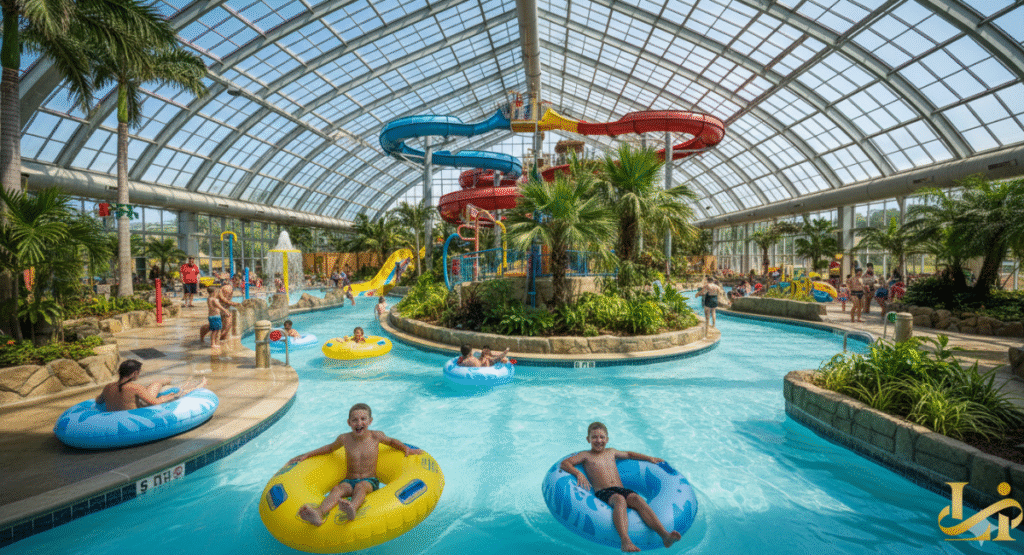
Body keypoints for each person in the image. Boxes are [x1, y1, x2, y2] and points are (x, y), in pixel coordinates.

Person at [291, 403, 423, 525]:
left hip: (369, 481)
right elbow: (329, 448)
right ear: (349, 423)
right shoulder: (344, 438)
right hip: (349, 480)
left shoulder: (376, 436)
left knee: (360, 487)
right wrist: (307, 454)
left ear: (370, 421)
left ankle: (352, 508)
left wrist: (406, 449)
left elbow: (391, 441)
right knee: (338, 489)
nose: (359, 423)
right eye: (354, 420)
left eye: (363, 419)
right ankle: (319, 513)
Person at [560, 422, 682, 552]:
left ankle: (665, 535)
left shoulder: (611, 452)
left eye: (602, 437)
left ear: (607, 439)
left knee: (637, 498)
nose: (599, 440)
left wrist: (649, 458)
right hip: (603, 491)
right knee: (619, 499)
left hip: (621, 489)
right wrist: (578, 473)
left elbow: (629, 455)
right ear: (588, 439)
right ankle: (625, 540)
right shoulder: (585, 455)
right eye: (594, 437)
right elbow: (565, 463)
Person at [97, 360, 207, 411]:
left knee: (156, 384)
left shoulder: (108, 387)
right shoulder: (135, 388)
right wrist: (166, 397)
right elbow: (154, 402)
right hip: (136, 414)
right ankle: (198, 387)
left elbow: (98, 401)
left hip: (117, 414)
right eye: (139, 373)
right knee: (175, 394)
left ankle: (163, 382)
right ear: (134, 373)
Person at [206, 286, 227, 352]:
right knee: (215, 331)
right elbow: (219, 306)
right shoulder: (214, 300)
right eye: (217, 292)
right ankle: (213, 344)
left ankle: (215, 342)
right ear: (214, 292)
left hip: (212, 316)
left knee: (216, 330)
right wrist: (225, 311)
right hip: (215, 317)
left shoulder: (209, 298)